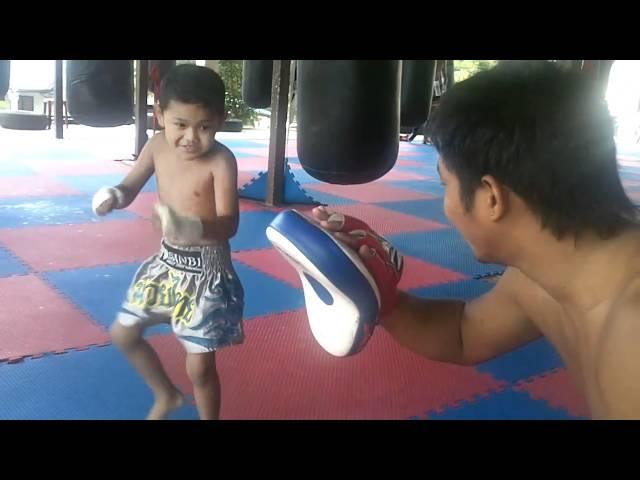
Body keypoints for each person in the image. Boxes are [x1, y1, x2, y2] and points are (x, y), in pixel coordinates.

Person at [311, 61, 640, 420]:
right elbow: (463, 334)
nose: (447, 205)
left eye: (444, 185)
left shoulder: (631, 337)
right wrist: (380, 291)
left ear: (491, 197)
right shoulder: (545, 275)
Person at [92, 64, 244, 420]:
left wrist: (189, 226)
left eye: (204, 126)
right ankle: (166, 395)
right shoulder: (157, 145)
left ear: (219, 120)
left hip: (207, 273)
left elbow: (229, 224)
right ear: (160, 115)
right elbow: (130, 186)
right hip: (166, 265)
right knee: (124, 333)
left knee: (199, 370)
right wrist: (113, 195)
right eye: (180, 124)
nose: (191, 137)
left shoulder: (221, 161)